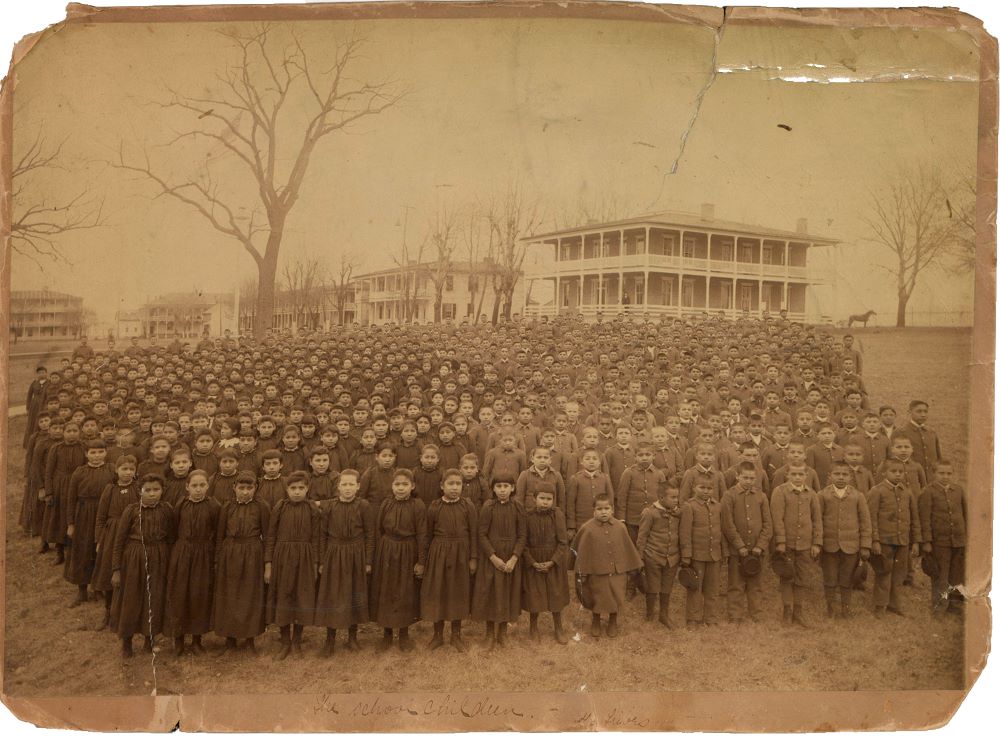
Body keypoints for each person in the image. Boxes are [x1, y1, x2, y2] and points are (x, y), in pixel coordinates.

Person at [111, 473, 175, 658]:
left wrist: (167, 562)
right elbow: (119, 541)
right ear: (140, 491)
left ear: (163, 491)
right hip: (134, 557)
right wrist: (116, 569)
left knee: (153, 598)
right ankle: (127, 642)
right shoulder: (131, 510)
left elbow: (171, 538)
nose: (153, 494)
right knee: (131, 598)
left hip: (159, 557)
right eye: (148, 490)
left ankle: (150, 639)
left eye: (157, 490)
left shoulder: (167, 509)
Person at [315, 469, 375, 656]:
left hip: (356, 553)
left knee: (354, 593)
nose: (347, 488)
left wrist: (367, 560)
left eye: (351, 484)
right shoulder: (330, 507)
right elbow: (322, 535)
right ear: (338, 487)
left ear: (358, 486)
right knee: (333, 595)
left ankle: (352, 638)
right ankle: (330, 639)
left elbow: (370, 535)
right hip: (334, 553)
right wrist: (322, 560)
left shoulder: (364, 506)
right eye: (344, 484)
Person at [370, 469, 427, 653]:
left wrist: (421, 561)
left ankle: (404, 634)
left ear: (412, 486)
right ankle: (386, 634)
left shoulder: (418, 505)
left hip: (408, 551)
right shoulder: (386, 504)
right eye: (397, 484)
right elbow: (378, 531)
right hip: (387, 552)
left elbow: (422, 535)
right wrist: (379, 555)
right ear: (392, 486)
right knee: (386, 590)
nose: (401, 488)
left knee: (405, 592)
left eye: (405, 484)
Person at [265, 470, 320, 660]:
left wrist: (314, 563)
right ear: (287, 489)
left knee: (301, 597)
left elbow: (316, 538)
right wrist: (269, 564)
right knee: (284, 596)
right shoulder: (280, 507)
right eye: (293, 488)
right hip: (282, 557)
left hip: (304, 557)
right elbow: (270, 536)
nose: (297, 492)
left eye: (301, 488)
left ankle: (297, 641)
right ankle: (284, 641)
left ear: (307, 489)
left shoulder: (312, 508)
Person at [165, 469, 221, 655]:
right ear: (187, 486)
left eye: (202, 485)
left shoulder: (213, 506)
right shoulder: (181, 505)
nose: (198, 489)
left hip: (203, 554)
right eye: (194, 486)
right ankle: (179, 639)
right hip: (182, 552)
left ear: (208, 486)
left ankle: (197, 639)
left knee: (199, 595)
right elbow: (173, 529)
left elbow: (217, 531)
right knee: (180, 594)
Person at [421, 468, 478, 652]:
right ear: (442, 486)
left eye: (458, 484)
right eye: (450, 484)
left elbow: (474, 534)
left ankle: (456, 635)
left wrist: (473, 558)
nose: (454, 488)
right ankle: (437, 635)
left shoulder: (467, 505)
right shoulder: (435, 506)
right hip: (439, 553)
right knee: (438, 592)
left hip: (461, 553)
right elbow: (427, 535)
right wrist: (424, 559)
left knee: (458, 593)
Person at [213, 471, 270, 656]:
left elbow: (268, 536)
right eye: (241, 488)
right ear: (234, 488)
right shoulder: (227, 507)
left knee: (250, 595)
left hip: (253, 552)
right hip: (230, 553)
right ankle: (230, 640)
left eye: (249, 488)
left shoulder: (261, 506)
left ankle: (250, 639)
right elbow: (220, 535)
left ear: (255, 488)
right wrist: (218, 559)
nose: (245, 492)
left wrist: (267, 562)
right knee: (230, 594)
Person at [571, 492, 642, 638]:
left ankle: (613, 621)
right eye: (599, 509)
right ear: (594, 511)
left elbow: (627, 548)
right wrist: (583, 571)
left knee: (616, 595)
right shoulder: (587, 528)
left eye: (606, 508)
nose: (603, 512)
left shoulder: (620, 527)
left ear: (612, 509)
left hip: (617, 571)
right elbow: (581, 552)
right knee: (598, 595)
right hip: (596, 571)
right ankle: (596, 620)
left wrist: (630, 568)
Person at [472, 473, 527, 650]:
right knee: (490, 593)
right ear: (493, 488)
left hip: (510, 556)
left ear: (512, 488)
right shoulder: (488, 507)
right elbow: (481, 534)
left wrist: (514, 558)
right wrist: (492, 557)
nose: (502, 490)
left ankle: (503, 633)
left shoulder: (518, 507)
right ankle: (489, 634)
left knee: (507, 593)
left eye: (506, 486)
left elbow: (522, 535)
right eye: (499, 487)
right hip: (492, 558)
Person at [64, 439, 115, 607]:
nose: (96, 456)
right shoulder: (79, 472)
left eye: (100, 452)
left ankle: (99, 586)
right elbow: (71, 499)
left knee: (102, 550)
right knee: (83, 550)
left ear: (106, 452)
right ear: (86, 454)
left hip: (105, 514)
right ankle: (82, 590)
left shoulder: (111, 470)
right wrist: (71, 523)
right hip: (84, 515)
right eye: (92, 452)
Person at [770, 463, 822, 627]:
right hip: (787, 544)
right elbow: (777, 519)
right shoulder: (780, 492)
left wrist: (816, 543)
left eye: (801, 474)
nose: (798, 478)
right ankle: (787, 611)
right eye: (794, 474)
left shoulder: (811, 494)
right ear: (788, 475)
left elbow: (817, 520)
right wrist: (781, 541)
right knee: (787, 576)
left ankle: (798, 613)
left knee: (802, 577)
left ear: (806, 475)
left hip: (805, 544)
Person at [817, 462, 872, 619]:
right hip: (829, 545)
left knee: (847, 578)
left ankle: (845, 608)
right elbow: (817, 521)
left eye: (844, 474)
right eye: (837, 474)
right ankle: (830, 607)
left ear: (850, 476)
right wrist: (818, 543)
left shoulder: (858, 496)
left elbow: (865, 522)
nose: (841, 477)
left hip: (851, 545)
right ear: (830, 476)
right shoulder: (822, 495)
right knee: (830, 577)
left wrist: (865, 546)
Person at [868, 459, 921, 617]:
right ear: (885, 473)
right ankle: (880, 605)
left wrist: (916, 541)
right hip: (884, 541)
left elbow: (914, 518)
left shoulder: (907, 492)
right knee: (884, 572)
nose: (898, 474)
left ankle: (894, 604)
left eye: (900, 471)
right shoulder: (877, 491)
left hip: (902, 540)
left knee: (898, 574)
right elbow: (871, 518)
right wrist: (875, 540)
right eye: (894, 471)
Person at [720, 462, 773, 623]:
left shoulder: (761, 496)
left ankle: (756, 613)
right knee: (736, 583)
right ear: (737, 476)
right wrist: (739, 545)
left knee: (755, 583)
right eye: (745, 477)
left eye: (752, 478)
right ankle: (735, 614)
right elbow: (727, 524)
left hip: (757, 550)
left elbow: (767, 524)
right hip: (738, 550)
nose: (749, 481)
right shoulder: (729, 496)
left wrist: (760, 546)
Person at [93, 454, 140, 630]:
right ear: (116, 470)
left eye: (131, 469)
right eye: (124, 469)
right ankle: (108, 612)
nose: (127, 473)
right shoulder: (110, 490)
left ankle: (126, 613)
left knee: (129, 572)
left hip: (132, 534)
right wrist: (99, 540)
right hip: (112, 534)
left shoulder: (138, 488)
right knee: (110, 573)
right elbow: (100, 516)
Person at [521, 483, 570, 644]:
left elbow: (563, 542)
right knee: (534, 595)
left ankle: (558, 627)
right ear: (534, 499)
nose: (545, 502)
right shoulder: (527, 516)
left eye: (549, 499)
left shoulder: (557, 515)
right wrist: (532, 562)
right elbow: (524, 543)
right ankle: (533, 627)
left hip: (553, 560)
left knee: (556, 593)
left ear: (553, 500)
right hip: (534, 559)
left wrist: (553, 561)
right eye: (542, 498)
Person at [918, 460, 967, 616]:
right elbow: (924, 519)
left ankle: (954, 605)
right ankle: (939, 606)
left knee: (957, 575)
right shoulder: (927, 492)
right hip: (940, 542)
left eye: (949, 473)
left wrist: (967, 537)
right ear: (934, 474)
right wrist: (926, 541)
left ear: (953, 474)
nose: (945, 476)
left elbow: (965, 515)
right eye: (941, 473)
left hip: (958, 540)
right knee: (941, 576)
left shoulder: (958, 490)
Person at [680, 476, 724, 627]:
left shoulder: (717, 506)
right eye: (702, 488)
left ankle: (711, 618)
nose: (706, 491)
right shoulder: (689, 506)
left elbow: (721, 531)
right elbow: (685, 533)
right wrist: (686, 555)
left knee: (712, 588)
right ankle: (693, 618)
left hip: (714, 554)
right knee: (695, 587)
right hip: (697, 555)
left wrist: (723, 552)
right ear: (694, 488)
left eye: (709, 488)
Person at [636, 482, 682, 627]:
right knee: (652, 586)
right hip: (653, 556)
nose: (676, 500)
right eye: (672, 497)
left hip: (672, 557)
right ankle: (650, 614)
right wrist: (640, 558)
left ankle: (664, 614)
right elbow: (642, 537)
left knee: (667, 586)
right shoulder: (649, 513)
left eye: (677, 497)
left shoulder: (677, 513)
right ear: (661, 497)